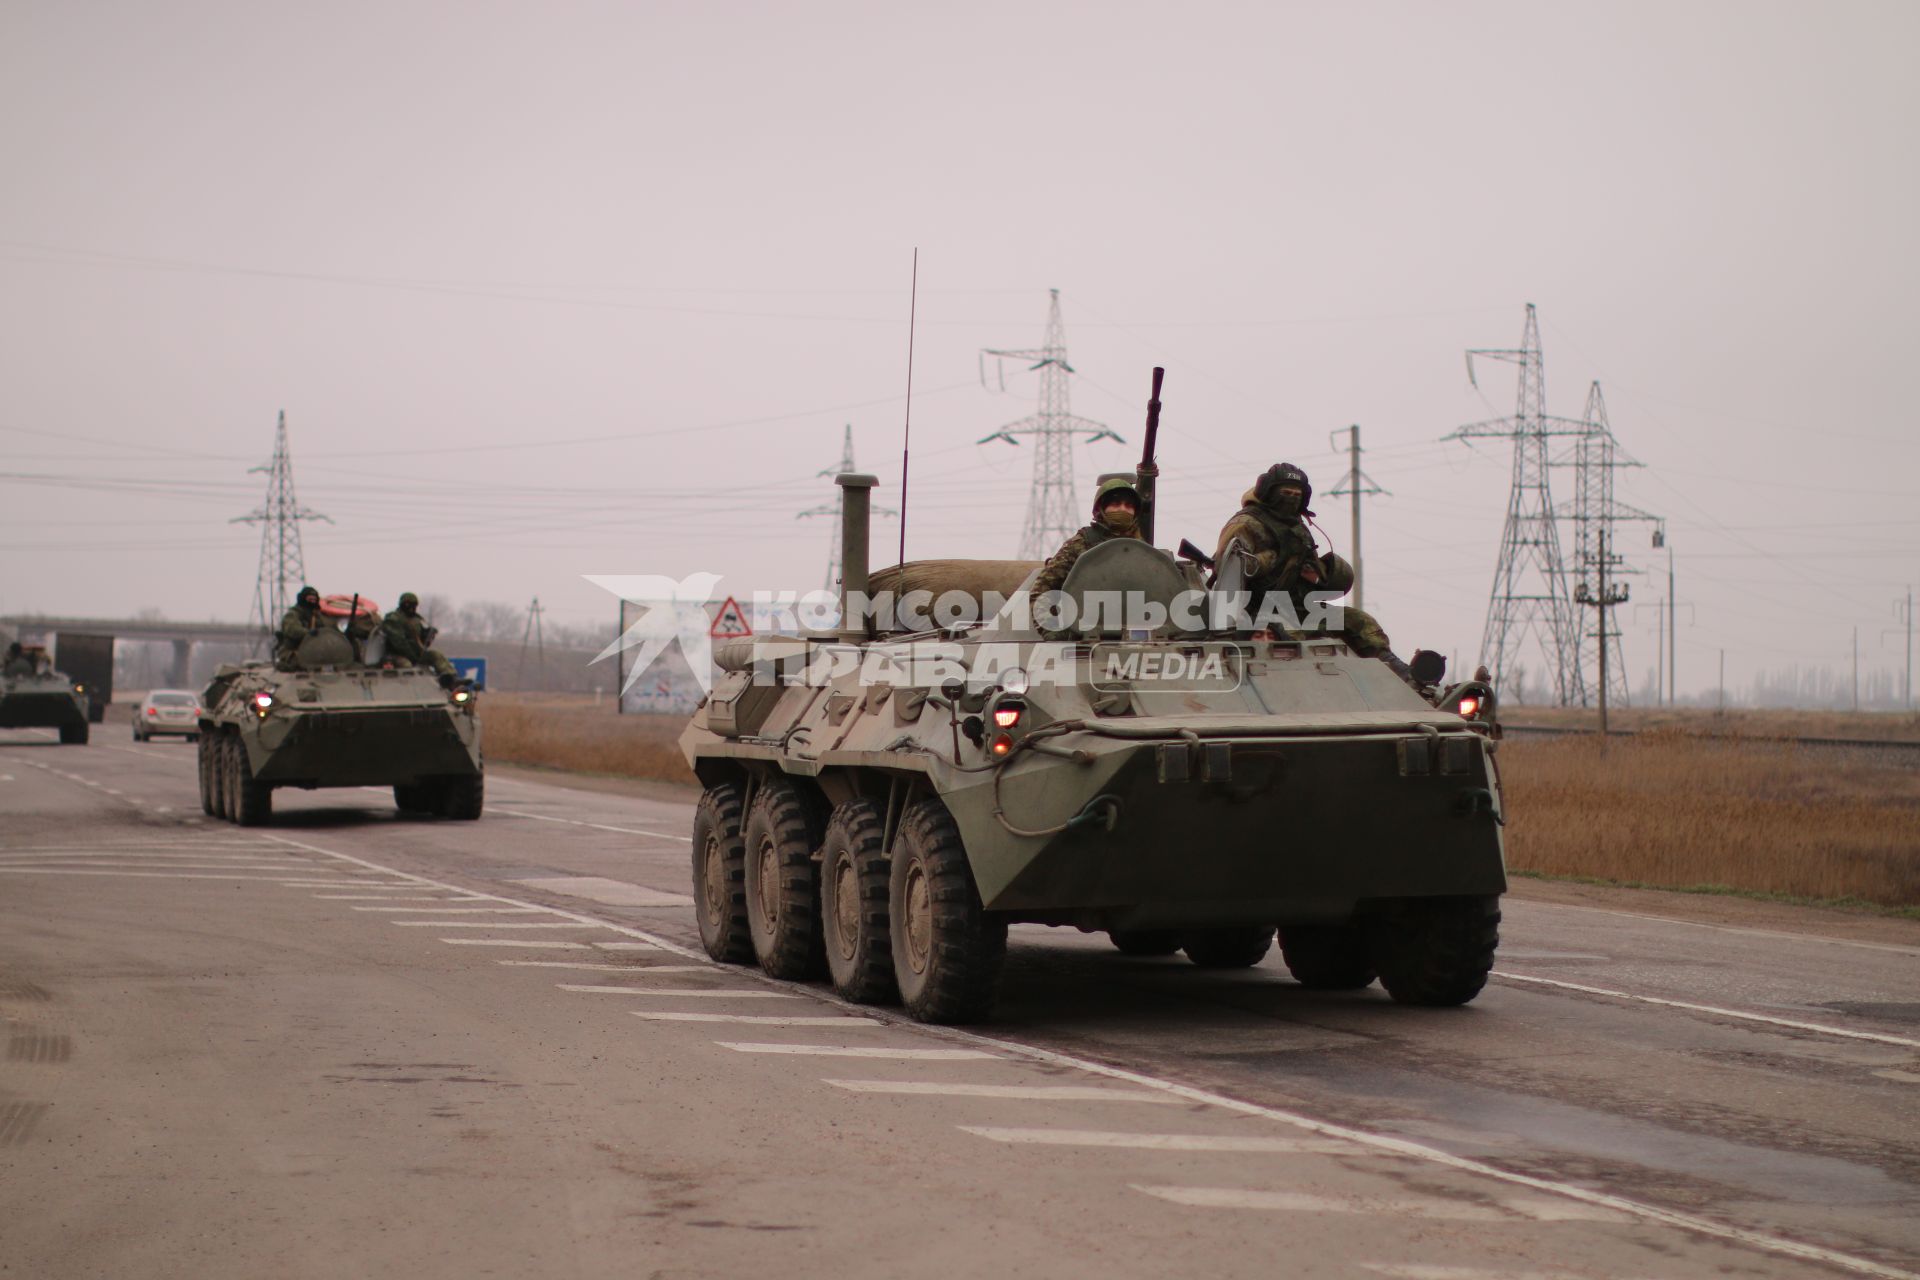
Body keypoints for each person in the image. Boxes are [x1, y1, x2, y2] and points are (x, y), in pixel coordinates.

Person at [1213, 463, 1415, 682]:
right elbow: (1227, 568)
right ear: (1269, 492)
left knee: (1357, 621)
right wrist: (1272, 558)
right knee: (1291, 638)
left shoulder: (1297, 526)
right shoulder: (1246, 523)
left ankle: (1399, 675)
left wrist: (1320, 575)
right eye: (1285, 493)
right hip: (1257, 611)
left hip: (1301, 607)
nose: (1291, 498)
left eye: (1296, 494)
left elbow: (1310, 566)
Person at [1028, 477, 1148, 606]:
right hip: (1085, 622)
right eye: (1115, 504)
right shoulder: (1082, 543)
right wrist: (1052, 625)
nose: (1123, 509)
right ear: (1101, 509)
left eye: (1129, 505)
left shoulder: (1141, 549)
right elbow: (1040, 592)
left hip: (1134, 622)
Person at [381, 592, 460, 686]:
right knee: (407, 666)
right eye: (408, 604)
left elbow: (422, 642)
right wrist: (413, 656)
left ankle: (452, 679)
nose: (411, 608)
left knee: (435, 655)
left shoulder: (417, 620)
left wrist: (427, 635)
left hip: (416, 653)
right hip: (395, 655)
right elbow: (399, 642)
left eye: (414, 605)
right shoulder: (393, 619)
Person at [275, 585, 325, 666]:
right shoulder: (293, 614)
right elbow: (292, 629)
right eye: (310, 599)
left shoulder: (318, 616)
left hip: (315, 654)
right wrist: (308, 633)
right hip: (294, 651)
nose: (312, 601)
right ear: (303, 599)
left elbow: (328, 631)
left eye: (314, 599)